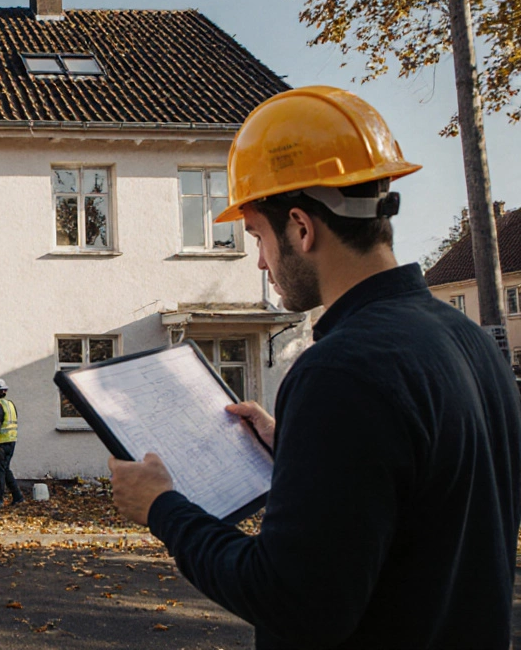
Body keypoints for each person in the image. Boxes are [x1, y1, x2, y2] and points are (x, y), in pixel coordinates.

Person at [107, 85, 521, 648]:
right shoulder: (470, 343)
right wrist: (298, 446)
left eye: (256, 235)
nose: (259, 260)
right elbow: (417, 497)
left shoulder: (342, 372)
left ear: (301, 228)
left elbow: (291, 600)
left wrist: (162, 508)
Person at [0, 378, 23, 507]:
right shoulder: (10, 404)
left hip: (1, 443)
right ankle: (17, 496)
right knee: (5, 469)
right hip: (11, 442)